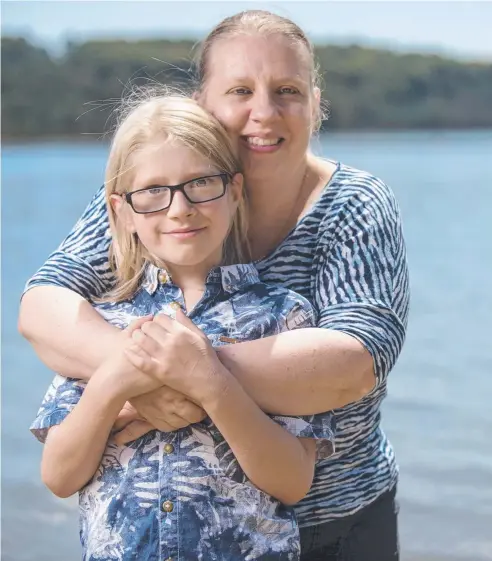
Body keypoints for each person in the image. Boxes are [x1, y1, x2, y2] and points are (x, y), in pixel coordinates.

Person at [19, 10, 410, 561]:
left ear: (316, 104)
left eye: (288, 90)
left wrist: (197, 374)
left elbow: (356, 362)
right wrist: (140, 368)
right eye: (240, 90)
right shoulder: (155, 195)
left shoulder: (353, 204)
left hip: (339, 520)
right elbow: (42, 307)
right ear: (203, 104)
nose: (264, 112)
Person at [30, 93, 336, 561]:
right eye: (152, 191)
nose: (179, 208)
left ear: (234, 190)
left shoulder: (284, 318)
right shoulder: (100, 322)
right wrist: (116, 380)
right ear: (121, 211)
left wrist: (212, 385)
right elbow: (58, 475)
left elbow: (293, 482)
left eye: (200, 183)